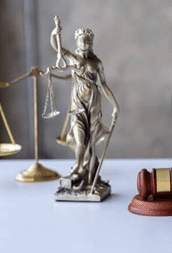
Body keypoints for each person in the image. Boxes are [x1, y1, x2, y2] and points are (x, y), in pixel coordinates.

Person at [50, 26, 119, 188]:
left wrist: (115, 106)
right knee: (79, 139)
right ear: (77, 41)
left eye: (89, 41)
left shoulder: (96, 63)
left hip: (93, 104)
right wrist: (55, 32)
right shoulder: (73, 58)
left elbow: (104, 86)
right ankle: (79, 167)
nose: (86, 44)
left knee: (91, 142)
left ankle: (89, 173)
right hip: (78, 104)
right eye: (82, 41)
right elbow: (56, 46)